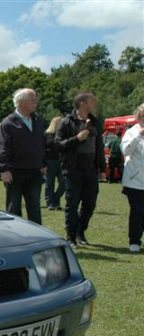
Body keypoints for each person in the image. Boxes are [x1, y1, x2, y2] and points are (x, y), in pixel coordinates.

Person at [55, 92, 106, 248]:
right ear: (82, 103)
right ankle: (70, 237)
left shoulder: (95, 122)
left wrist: (102, 169)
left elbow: (99, 147)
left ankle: (80, 231)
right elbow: (58, 145)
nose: (94, 103)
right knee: (72, 203)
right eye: (92, 101)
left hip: (90, 169)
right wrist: (77, 139)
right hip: (72, 169)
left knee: (90, 203)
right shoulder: (66, 122)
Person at [0, 88, 46, 224]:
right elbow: (2, 147)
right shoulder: (8, 123)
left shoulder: (38, 121)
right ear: (20, 102)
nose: (35, 102)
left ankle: (37, 237)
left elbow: (42, 144)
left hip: (35, 171)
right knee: (14, 207)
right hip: (14, 172)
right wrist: (4, 169)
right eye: (32, 100)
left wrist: (43, 164)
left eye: (35, 99)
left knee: (34, 207)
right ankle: (15, 236)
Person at [121, 103, 144, 253]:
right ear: (138, 116)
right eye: (143, 116)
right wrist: (138, 136)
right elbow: (125, 150)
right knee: (137, 211)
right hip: (135, 181)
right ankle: (134, 241)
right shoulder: (131, 132)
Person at [44, 116, 65, 210]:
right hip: (49, 161)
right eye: (59, 122)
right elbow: (42, 149)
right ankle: (50, 203)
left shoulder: (63, 134)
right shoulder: (46, 134)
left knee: (64, 183)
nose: (61, 124)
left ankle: (55, 199)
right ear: (54, 123)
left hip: (61, 161)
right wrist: (43, 164)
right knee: (49, 183)